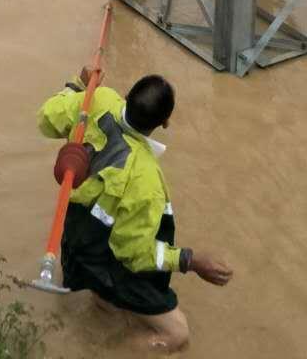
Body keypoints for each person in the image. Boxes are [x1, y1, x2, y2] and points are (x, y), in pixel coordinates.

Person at [37, 68, 232, 352]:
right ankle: (110, 353)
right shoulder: (146, 180)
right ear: (165, 122)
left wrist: (78, 85)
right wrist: (191, 260)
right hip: (105, 259)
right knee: (178, 334)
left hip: (76, 241)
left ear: (126, 96)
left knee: (105, 305)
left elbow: (46, 118)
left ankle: (95, 321)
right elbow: (133, 253)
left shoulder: (99, 99)